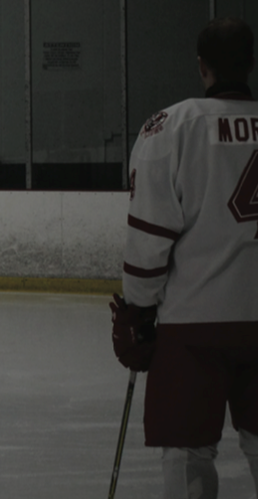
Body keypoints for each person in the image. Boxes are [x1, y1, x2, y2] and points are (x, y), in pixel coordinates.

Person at [111, 17, 258, 499]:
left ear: (201, 66)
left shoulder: (171, 127)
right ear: (251, 64)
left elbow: (149, 236)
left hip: (193, 324)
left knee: (187, 454)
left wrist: (139, 309)